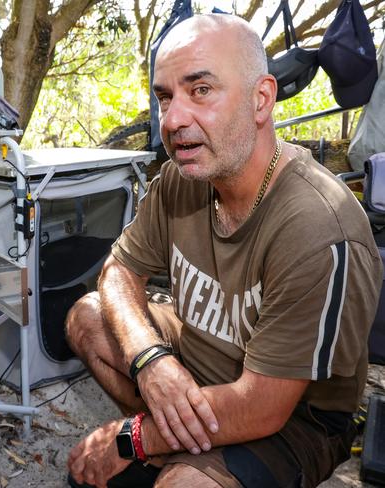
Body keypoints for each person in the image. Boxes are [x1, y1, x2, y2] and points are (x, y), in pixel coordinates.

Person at [65, 13, 382, 488]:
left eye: (201, 91)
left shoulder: (319, 226)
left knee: (184, 486)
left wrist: (132, 437)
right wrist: (152, 362)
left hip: (292, 417)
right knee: (87, 317)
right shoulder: (180, 179)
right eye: (165, 97)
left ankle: (176, 451)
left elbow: (261, 407)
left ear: (261, 100)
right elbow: (116, 273)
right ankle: (181, 437)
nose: (173, 120)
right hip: (201, 355)